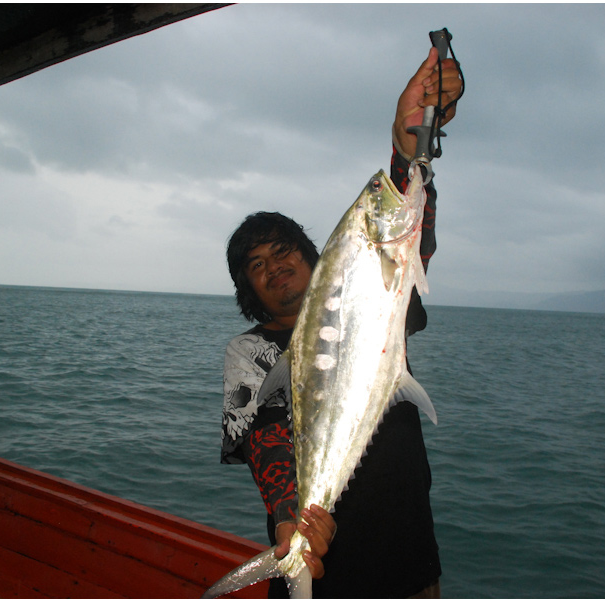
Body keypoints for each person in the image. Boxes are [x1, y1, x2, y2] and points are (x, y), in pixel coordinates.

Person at [220, 47, 462, 598]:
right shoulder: (248, 352)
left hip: (408, 555)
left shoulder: (373, 304)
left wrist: (410, 147)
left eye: (283, 251)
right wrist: (291, 521)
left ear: (315, 256)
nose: (275, 267)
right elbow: (265, 438)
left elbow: (406, 238)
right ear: (247, 289)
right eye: (256, 266)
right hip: (323, 561)